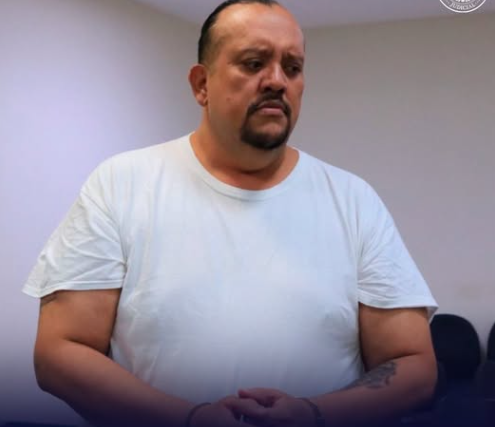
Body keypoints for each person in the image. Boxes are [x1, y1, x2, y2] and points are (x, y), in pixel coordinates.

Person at [24, 1, 438, 426]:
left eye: (293, 67)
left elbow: (414, 364)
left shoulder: (353, 201)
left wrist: (313, 415)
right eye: (254, 63)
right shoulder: (121, 185)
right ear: (201, 84)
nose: (276, 81)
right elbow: (59, 352)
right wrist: (189, 419)